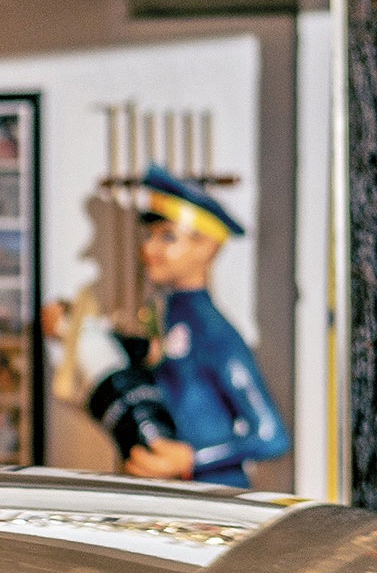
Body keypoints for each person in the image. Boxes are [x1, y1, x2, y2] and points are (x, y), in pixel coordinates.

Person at [44, 163, 288, 491]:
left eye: (167, 237)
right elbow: (155, 357)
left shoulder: (215, 334)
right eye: (150, 235)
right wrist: (71, 328)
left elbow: (271, 436)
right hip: (169, 491)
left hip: (213, 498)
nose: (149, 248)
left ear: (206, 246)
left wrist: (190, 459)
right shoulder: (170, 315)